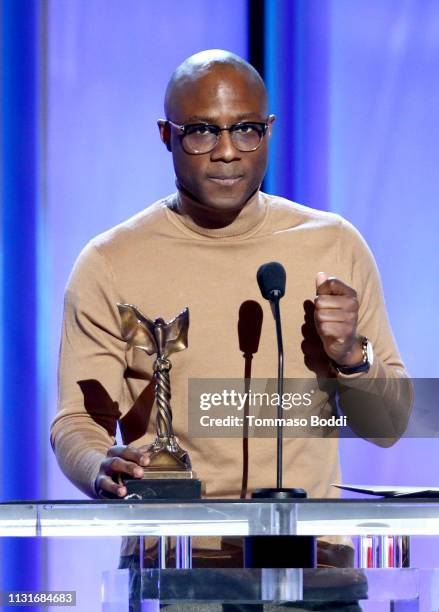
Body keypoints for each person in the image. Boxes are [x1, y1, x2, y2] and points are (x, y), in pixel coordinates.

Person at [50, 49, 411, 608]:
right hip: (178, 569)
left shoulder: (333, 243)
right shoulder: (110, 260)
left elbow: (391, 424)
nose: (225, 152)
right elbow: (78, 421)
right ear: (166, 135)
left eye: (245, 130)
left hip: (312, 569)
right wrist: (101, 468)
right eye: (201, 132)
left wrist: (351, 355)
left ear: (268, 131)